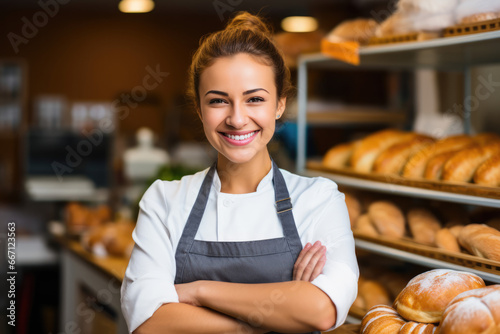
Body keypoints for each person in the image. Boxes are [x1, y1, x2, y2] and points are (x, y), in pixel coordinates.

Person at [121, 11, 359, 334]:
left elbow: (321, 309)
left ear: (279, 105)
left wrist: (197, 291)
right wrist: (267, 320)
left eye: (255, 99)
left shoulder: (319, 200)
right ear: (199, 110)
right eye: (219, 101)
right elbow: (148, 323)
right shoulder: (164, 201)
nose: (237, 119)